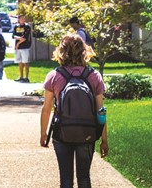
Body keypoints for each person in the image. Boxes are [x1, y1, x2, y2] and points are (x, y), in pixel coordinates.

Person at [40, 34, 108, 188]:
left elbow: (46, 109)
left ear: (61, 52)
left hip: (62, 132)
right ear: (84, 51)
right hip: (87, 132)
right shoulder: (94, 76)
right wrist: (104, 139)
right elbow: (101, 111)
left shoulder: (54, 75)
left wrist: (44, 133)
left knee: (65, 179)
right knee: (84, 178)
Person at [12, 15, 32, 82]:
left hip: (25, 46)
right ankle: (21, 77)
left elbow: (24, 38)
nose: (23, 20)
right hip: (18, 48)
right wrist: (18, 38)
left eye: (24, 18)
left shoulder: (27, 27)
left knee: (25, 62)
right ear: (19, 19)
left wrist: (17, 44)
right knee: (19, 62)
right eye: (21, 19)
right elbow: (13, 35)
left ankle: (26, 77)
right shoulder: (16, 26)